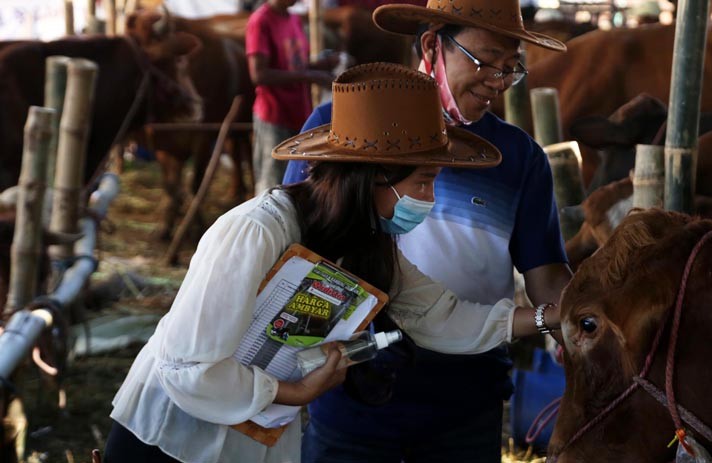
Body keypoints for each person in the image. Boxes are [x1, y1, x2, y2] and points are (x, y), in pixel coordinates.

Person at [104, 62, 554, 463]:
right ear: (374, 175)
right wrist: (294, 391)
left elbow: (440, 316)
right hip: (168, 436)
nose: (428, 200)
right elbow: (189, 368)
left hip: (251, 435)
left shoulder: (364, 245)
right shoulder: (258, 231)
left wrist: (549, 317)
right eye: (422, 183)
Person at [283, 1, 574, 462]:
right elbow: (298, 257)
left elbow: (547, 277)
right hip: (350, 394)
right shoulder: (340, 130)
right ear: (433, 44)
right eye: (485, 61)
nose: (497, 81)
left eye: (510, 67)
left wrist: (581, 324)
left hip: (465, 401)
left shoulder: (520, 159)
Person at [246, 0, 338, 194]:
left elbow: (296, 66)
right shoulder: (260, 21)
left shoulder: (293, 19)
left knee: (295, 183)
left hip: (298, 112)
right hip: (274, 115)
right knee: (271, 185)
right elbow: (259, 74)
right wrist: (310, 76)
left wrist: (320, 66)